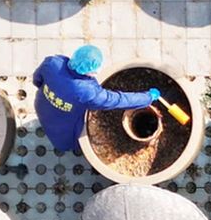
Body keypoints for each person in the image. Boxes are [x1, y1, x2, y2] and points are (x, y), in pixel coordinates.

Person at [32, 45, 160, 152]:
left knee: (50, 126)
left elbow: (37, 80)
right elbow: (118, 100)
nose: (97, 72)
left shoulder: (53, 62)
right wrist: (147, 97)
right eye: (94, 70)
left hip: (41, 105)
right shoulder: (87, 91)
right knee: (65, 141)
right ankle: (71, 149)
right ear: (85, 70)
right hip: (64, 123)